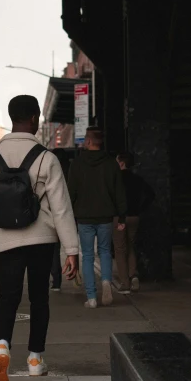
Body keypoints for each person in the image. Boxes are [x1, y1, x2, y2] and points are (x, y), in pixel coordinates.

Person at [0, 95, 79, 381]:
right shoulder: (47, 158)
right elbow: (61, 208)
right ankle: (35, 359)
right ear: (34, 118)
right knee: (39, 299)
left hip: (4, 242)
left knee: (8, 297)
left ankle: (2, 346)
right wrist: (72, 250)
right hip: (41, 240)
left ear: (11, 118)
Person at [68, 127, 127, 308]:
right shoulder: (111, 163)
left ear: (88, 141)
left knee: (87, 255)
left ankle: (92, 298)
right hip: (106, 216)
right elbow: (119, 192)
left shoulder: (77, 164)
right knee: (105, 252)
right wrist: (122, 217)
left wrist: (69, 215)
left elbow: (71, 192)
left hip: (84, 217)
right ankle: (106, 282)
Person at [114, 152, 155, 293]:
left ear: (121, 163)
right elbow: (151, 194)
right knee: (131, 247)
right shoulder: (138, 179)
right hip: (134, 217)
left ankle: (124, 283)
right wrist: (140, 209)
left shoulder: (116, 179)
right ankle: (134, 276)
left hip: (119, 218)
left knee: (120, 250)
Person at [50, 147, 71, 292]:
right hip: (71, 214)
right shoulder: (71, 171)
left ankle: (56, 281)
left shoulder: (52, 172)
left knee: (54, 250)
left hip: (53, 214)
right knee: (78, 249)